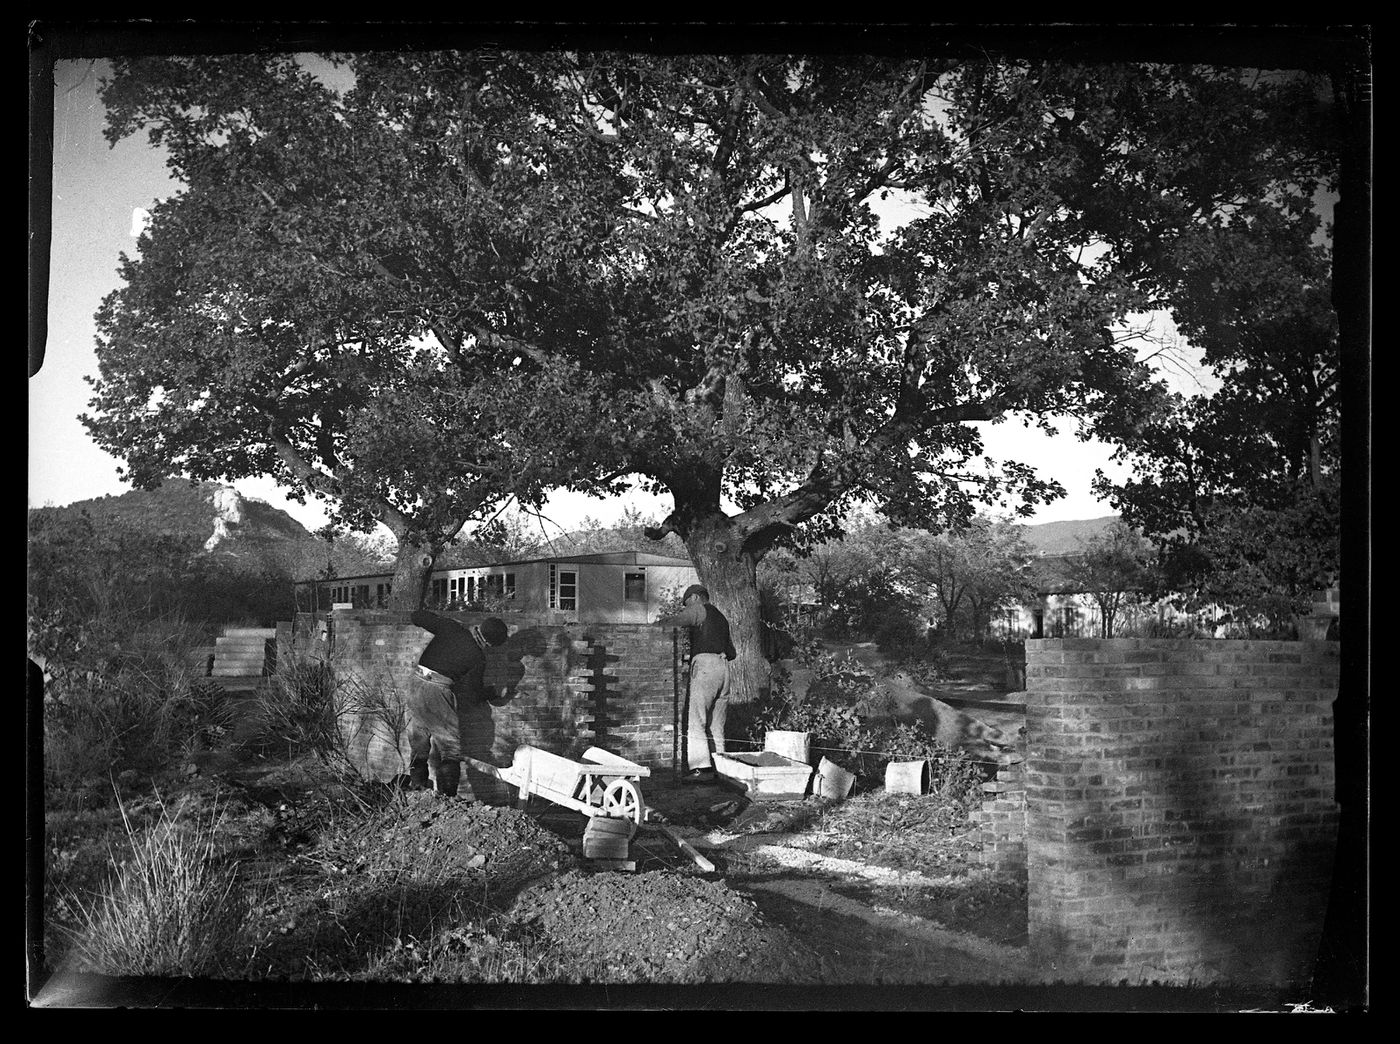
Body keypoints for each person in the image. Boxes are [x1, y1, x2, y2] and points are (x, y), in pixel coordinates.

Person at [406, 610, 510, 797]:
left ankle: (417, 789)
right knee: (451, 748)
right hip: (437, 690)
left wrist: (444, 622)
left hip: (415, 684)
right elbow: (472, 694)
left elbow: (417, 616)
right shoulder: (478, 658)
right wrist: (494, 692)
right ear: (489, 644)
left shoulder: (452, 627)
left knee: (418, 741)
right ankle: (448, 801)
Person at [657, 585, 736, 783]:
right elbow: (732, 652)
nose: (686, 607)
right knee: (716, 724)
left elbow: (674, 622)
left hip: (706, 666)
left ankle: (701, 769)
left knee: (696, 719)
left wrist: (653, 626)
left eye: (687, 603)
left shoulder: (699, 609)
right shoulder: (721, 617)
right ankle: (721, 769)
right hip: (724, 668)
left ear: (694, 598)